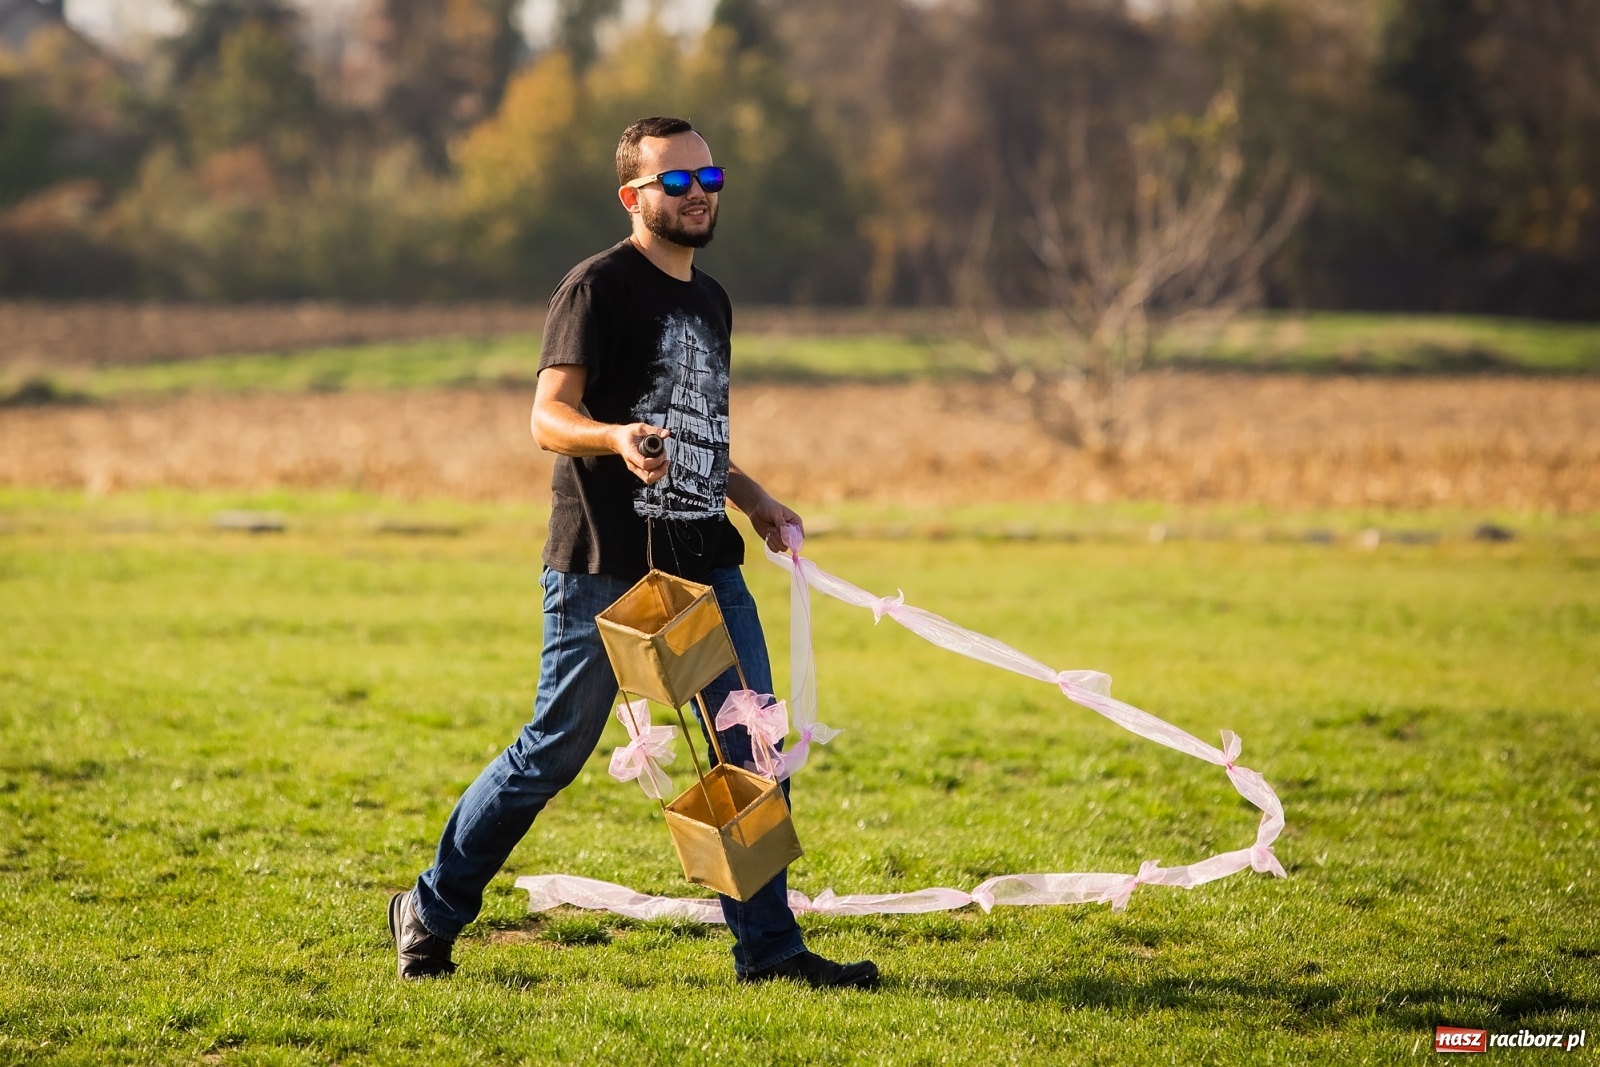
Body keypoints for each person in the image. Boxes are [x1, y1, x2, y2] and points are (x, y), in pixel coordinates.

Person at [389, 116, 879, 990]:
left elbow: (699, 431)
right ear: (632, 195)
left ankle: (770, 952)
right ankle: (430, 906)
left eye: (709, 179)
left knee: (751, 752)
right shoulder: (596, 287)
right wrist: (615, 437)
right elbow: (547, 417)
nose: (698, 196)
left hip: (707, 560)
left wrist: (753, 498)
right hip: (603, 564)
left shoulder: (712, 299)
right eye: (676, 182)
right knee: (553, 750)